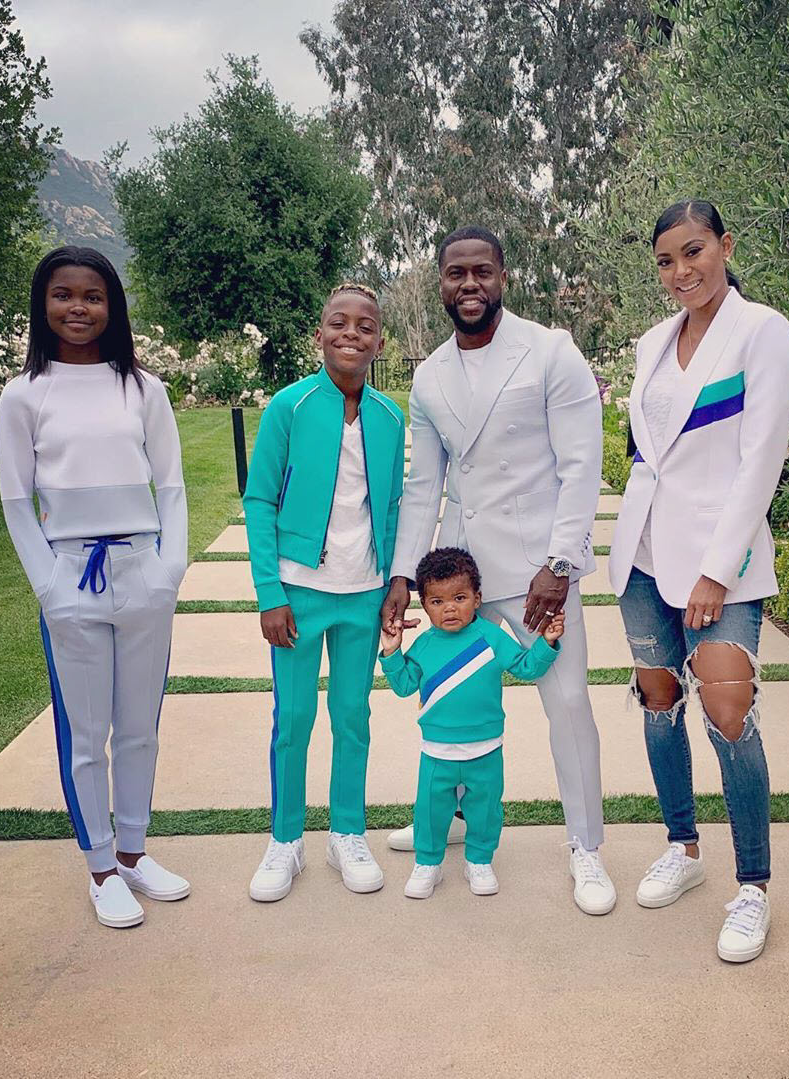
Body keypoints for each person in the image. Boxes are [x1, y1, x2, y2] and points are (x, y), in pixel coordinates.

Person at [381, 226, 616, 916]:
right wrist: (404, 576)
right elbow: (424, 485)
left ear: (503, 277)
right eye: (456, 273)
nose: (469, 284)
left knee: (567, 704)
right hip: (464, 575)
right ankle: (450, 821)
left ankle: (586, 846)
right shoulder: (429, 374)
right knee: (450, 694)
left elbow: (582, 465)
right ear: (441, 282)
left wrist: (560, 562)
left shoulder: (550, 351)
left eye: (481, 271)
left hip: (540, 570)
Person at [607, 199, 789, 963]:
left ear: (725, 245)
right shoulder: (654, 342)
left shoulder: (763, 331)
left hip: (721, 563)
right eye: (665, 260)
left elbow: (761, 459)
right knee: (660, 702)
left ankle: (752, 886)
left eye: (693, 251)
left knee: (727, 711)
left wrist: (717, 570)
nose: (680, 271)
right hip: (644, 556)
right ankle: (682, 847)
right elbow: (646, 452)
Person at [0, 246, 189, 929]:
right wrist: (48, 585)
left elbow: (171, 486)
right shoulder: (25, 394)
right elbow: (16, 500)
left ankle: (134, 851)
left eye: (93, 295)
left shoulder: (143, 389)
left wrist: (169, 571)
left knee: (139, 729)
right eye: (63, 294)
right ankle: (101, 866)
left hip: (142, 572)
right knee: (87, 734)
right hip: (71, 576)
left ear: (113, 306)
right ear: (42, 304)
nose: (78, 307)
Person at [243, 283, 405, 902]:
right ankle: (285, 840)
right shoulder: (289, 406)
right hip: (298, 593)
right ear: (319, 335)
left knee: (352, 716)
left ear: (380, 343)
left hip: (364, 594)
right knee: (293, 718)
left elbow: (393, 505)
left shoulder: (390, 418)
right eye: (339, 322)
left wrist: (396, 581)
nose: (351, 334)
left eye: (366, 326)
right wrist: (269, 592)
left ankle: (347, 834)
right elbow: (260, 500)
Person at [380, 548, 564, 899]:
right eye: (437, 601)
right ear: (425, 605)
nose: (449, 608)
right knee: (430, 811)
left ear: (477, 599)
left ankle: (479, 861)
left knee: (485, 810)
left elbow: (526, 667)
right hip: (437, 752)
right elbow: (404, 686)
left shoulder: (491, 637)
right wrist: (392, 652)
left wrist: (547, 643)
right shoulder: (424, 645)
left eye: (459, 598)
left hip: (486, 748)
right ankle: (428, 863)